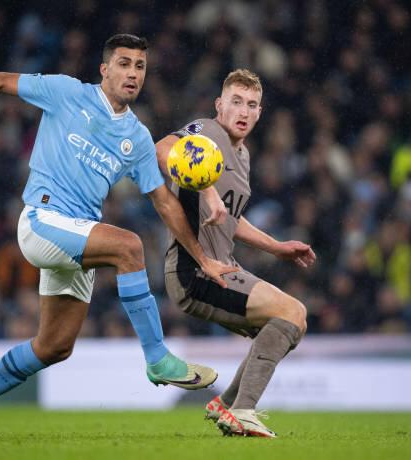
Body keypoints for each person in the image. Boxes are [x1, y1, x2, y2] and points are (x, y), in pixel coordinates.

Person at [0, 34, 236, 438]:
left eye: (140, 66)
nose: (132, 73)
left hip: (77, 235)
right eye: (124, 63)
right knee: (129, 246)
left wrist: (203, 258)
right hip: (42, 220)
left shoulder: (137, 138)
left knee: (54, 345)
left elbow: (165, 203)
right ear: (105, 69)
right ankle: (157, 358)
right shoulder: (66, 92)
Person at [156, 69, 316, 438]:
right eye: (236, 102)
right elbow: (163, 149)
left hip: (220, 268)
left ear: (260, 112)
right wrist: (206, 186)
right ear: (219, 106)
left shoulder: (241, 155)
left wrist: (277, 247)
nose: (243, 111)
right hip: (194, 271)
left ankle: (227, 406)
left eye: (252, 104)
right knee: (292, 311)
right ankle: (242, 410)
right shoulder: (208, 132)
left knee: (292, 324)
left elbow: (230, 219)